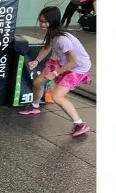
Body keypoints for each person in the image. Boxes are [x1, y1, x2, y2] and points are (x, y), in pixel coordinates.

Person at [22, 8, 90, 138]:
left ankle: (80, 124)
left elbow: (73, 62)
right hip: (62, 61)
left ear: (53, 21)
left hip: (77, 67)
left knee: (57, 96)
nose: (42, 24)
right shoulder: (52, 33)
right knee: (38, 82)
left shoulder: (62, 40)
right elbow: (47, 47)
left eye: (46, 22)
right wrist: (36, 61)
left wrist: (55, 73)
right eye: (41, 21)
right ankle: (35, 106)